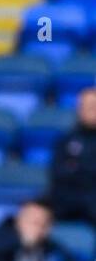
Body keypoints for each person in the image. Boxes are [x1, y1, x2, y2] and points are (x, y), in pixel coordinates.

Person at [48, 87, 96, 228]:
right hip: (67, 199)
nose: (91, 110)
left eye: (94, 106)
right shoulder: (66, 140)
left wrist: (77, 168)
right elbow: (58, 173)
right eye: (87, 106)